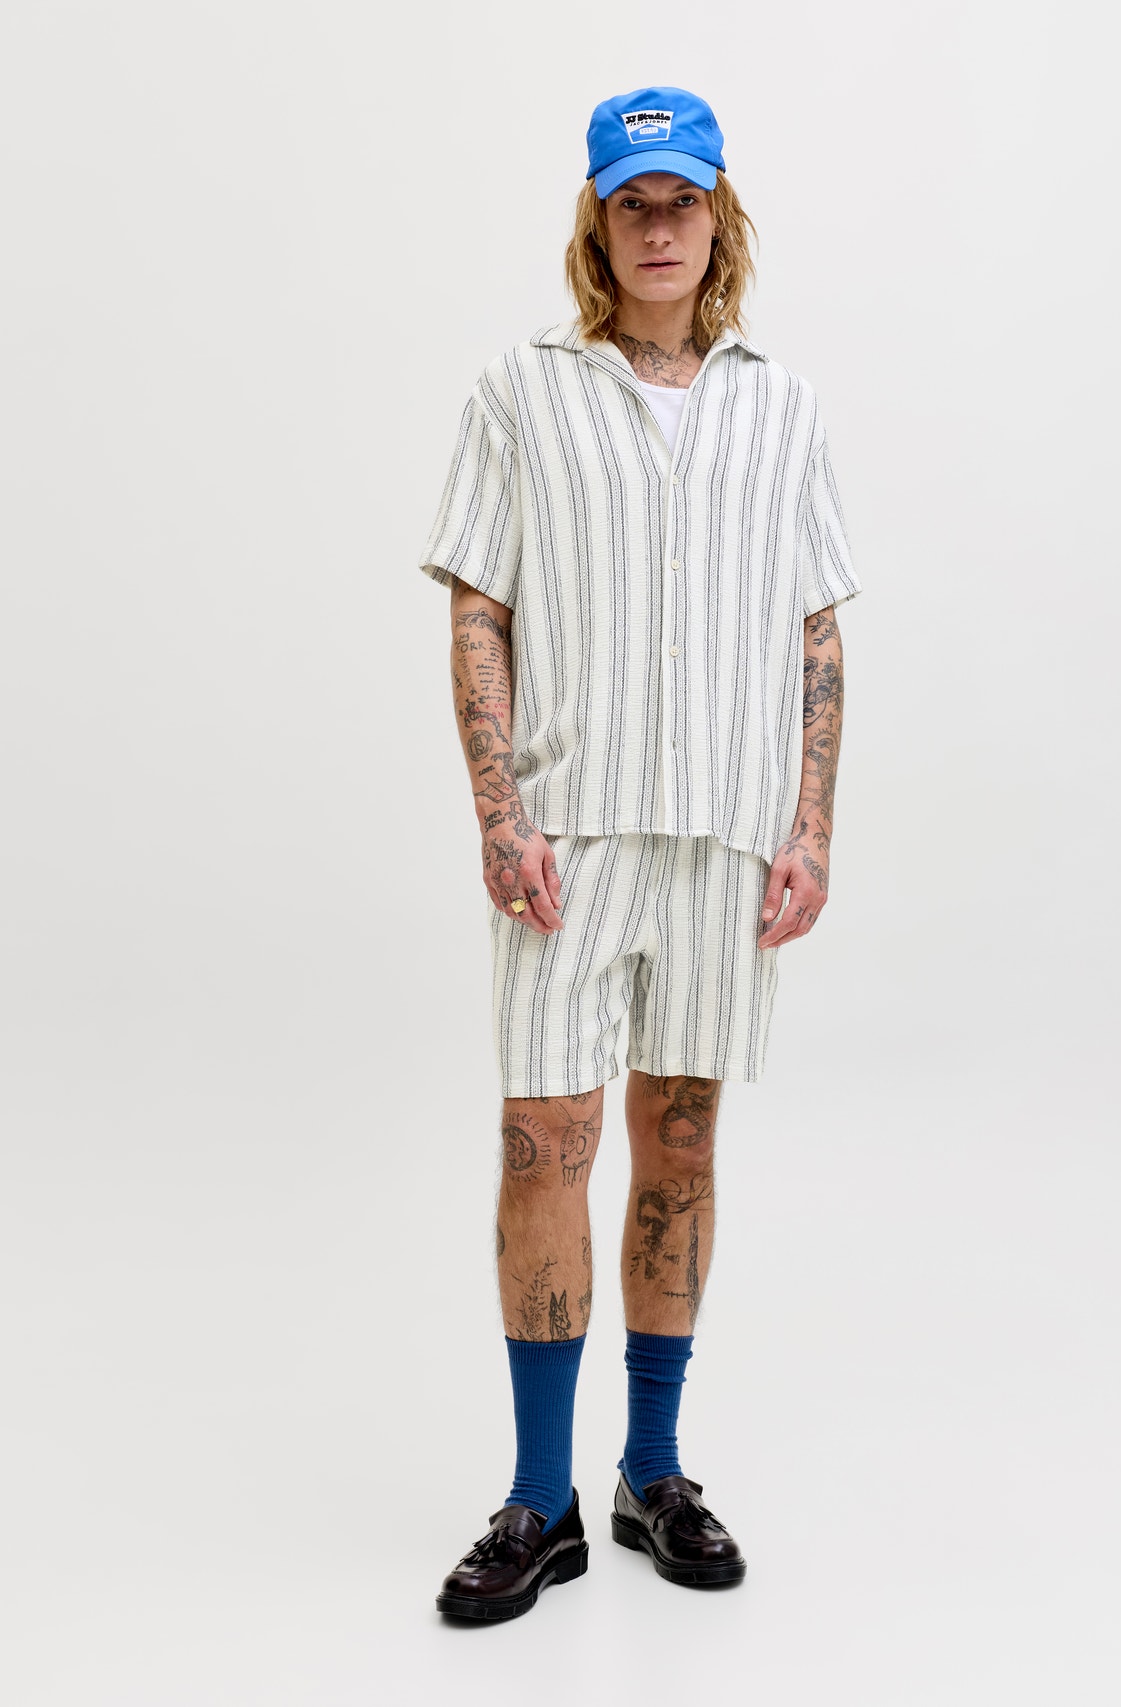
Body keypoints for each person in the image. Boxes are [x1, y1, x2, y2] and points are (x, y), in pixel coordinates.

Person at [418, 84, 861, 1621]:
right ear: (597, 223)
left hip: (725, 843)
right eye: (632, 202)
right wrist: (499, 813)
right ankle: (539, 1500)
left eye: (682, 200)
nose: (658, 226)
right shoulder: (522, 392)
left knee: (682, 1142)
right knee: (545, 1139)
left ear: (718, 218)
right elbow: (479, 605)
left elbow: (816, 632)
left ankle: (650, 1472)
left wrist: (810, 829)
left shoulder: (782, 407)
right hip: (573, 834)